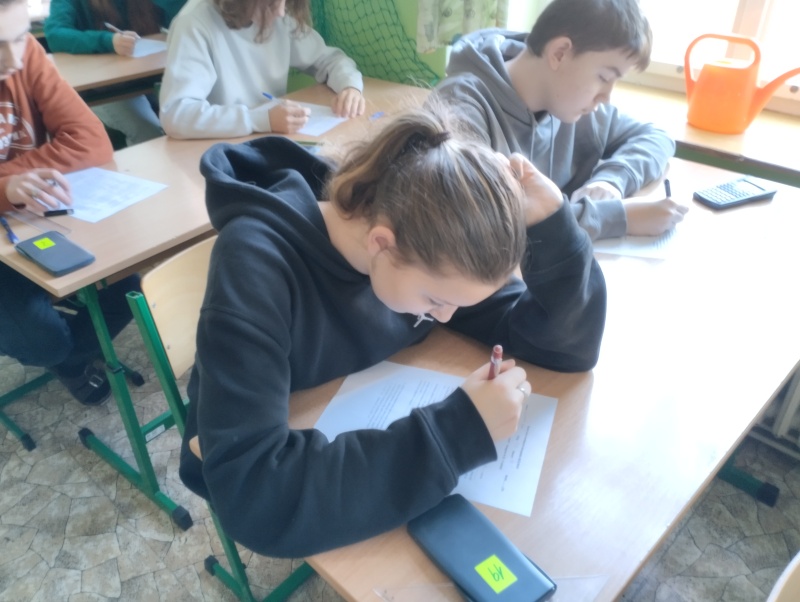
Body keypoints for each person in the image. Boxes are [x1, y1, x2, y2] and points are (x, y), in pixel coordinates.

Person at [178, 102, 607, 558]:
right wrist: (458, 432)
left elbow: (566, 350)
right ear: (381, 244)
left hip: (343, 451)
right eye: (435, 301)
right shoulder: (257, 264)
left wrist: (555, 225)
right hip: (252, 466)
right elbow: (256, 494)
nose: (445, 317)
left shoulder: (426, 245)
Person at [432, 0, 687, 241]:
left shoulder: (570, 104)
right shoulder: (459, 108)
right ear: (560, 53)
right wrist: (620, 217)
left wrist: (611, 180)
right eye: (604, 77)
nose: (606, 97)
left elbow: (656, 137)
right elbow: (482, 225)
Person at [1, 0, 139, 406]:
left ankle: (71, 360)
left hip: (29, 222)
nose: (14, 58)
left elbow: (91, 141)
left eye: (19, 38)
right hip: (16, 219)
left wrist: (15, 186)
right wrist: (7, 187)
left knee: (131, 284)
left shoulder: (25, 53)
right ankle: (65, 357)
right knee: (42, 340)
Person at [159, 0, 365, 140]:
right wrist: (260, 119)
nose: (281, 11)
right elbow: (176, 115)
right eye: (272, 2)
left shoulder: (276, 15)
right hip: (218, 149)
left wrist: (350, 86)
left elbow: (330, 59)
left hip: (268, 138)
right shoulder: (194, 23)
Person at [44, 0, 185, 146]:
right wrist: (108, 41)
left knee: (185, 121)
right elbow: (55, 34)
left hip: (145, 78)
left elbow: (179, 15)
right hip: (101, 87)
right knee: (148, 131)